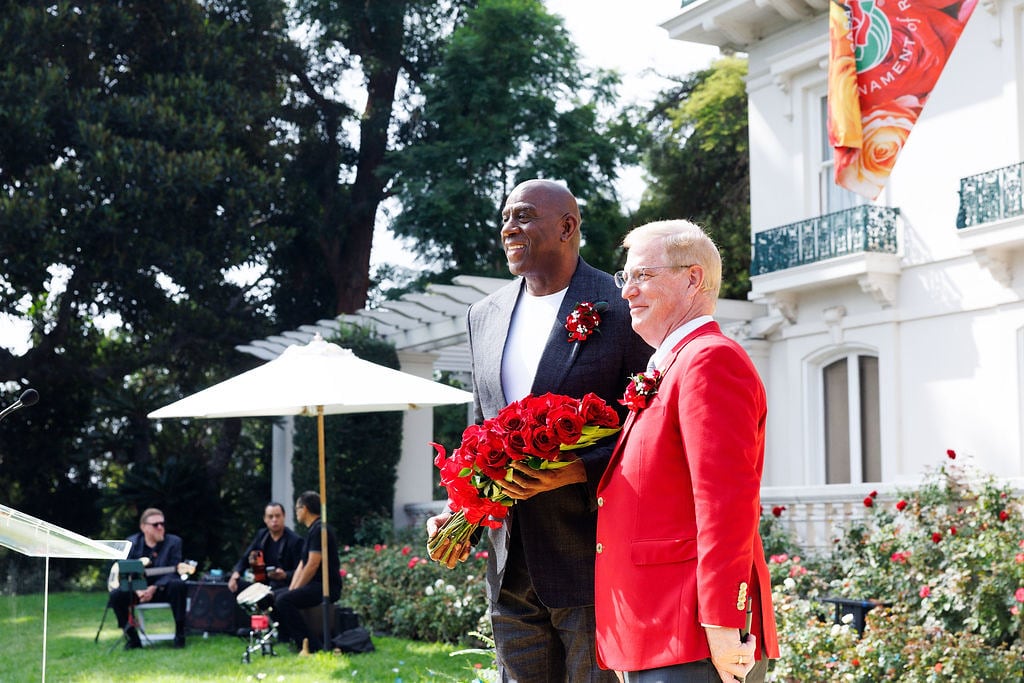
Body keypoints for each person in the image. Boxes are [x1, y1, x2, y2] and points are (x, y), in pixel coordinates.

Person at [427, 179, 651, 681]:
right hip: (507, 563)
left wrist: (577, 468)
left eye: (524, 216)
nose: (510, 227)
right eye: (506, 217)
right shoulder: (482, 316)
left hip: (592, 559)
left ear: (568, 226)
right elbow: (486, 433)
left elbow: (649, 423)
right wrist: (461, 506)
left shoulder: (621, 306)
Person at [594, 220, 779, 682]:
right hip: (656, 633)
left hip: (691, 637)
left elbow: (726, 506)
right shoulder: (676, 364)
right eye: (625, 278)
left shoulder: (710, 361)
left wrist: (722, 624)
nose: (627, 291)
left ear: (693, 279)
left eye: (643, 275)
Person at [107, 508, 189, 649]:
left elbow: (174, 571)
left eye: (162, 524)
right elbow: (125, 571)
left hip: (162, 589)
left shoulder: (174, 542)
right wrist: (139, 590)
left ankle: (180, 636)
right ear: (143, 527)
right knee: (116, 595)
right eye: (155, 524)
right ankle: (132, 639)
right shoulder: (131, 543)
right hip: (137, 591)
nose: (160, 527)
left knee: (178, 585)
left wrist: (154, 587)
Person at [272, 490, 341, 653]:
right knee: (276, 596)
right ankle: (287, 637)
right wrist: (292, 589)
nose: (296, 512)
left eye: (297, 508)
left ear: (305, 509)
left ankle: (310, 645)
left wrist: (294, 591)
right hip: (314, 584)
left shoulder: (320, 530)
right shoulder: (311, 531)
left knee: (284, 600)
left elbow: (312, 564)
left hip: (325, 586)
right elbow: (302, 565)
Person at [228, 501, 304, 593]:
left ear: (284, 516)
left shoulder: (295, 540)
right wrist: (236, 573)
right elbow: (245, 558)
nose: (274, 520)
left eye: (277, 516)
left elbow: (301, 570)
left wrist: (285, 575)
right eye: (270, 517)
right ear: (265, 519)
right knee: (234, 583)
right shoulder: (261, 535)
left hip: (284, 585)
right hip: (262, 582)